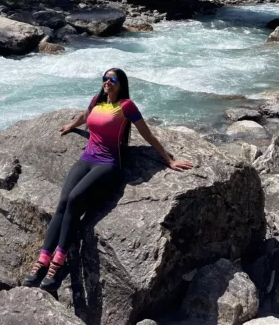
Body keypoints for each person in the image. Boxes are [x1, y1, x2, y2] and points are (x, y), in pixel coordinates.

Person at [23, 67, 193, 292]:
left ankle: (57, 263)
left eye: (112, 79)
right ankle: (42, 261)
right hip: (87, 159)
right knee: (63, 201)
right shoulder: (97, 101)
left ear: (121, 84)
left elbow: (147, 134)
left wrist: (169, 160)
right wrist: (72, 126)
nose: (107, 82)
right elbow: (86, 115)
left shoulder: (126, 107)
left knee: (75, 199)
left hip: (108, 164)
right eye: (105, 78)